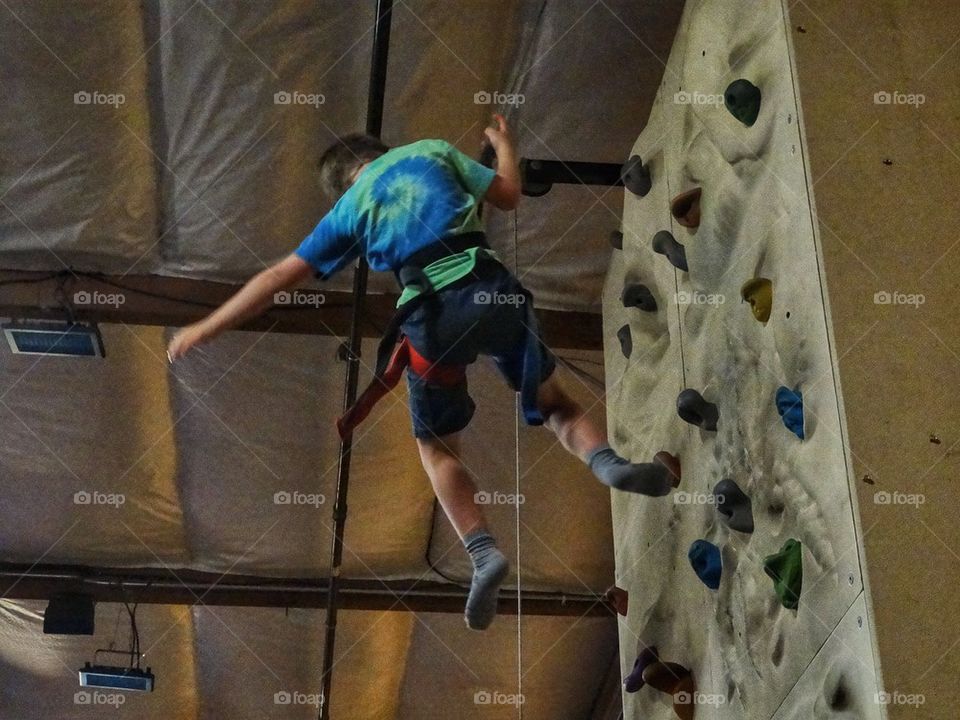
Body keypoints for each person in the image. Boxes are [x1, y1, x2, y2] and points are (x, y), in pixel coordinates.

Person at [167, 115, 680, 630]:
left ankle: (483, 552)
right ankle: (607, 463)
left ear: (341, 183)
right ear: (379, 150)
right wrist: (504, 145)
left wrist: (207, 327)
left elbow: (278, 276)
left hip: (432, 320)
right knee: (555, 404)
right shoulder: (431, 150)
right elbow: (508, 195)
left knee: (438, 448)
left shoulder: (349, 208)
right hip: (492, 290)